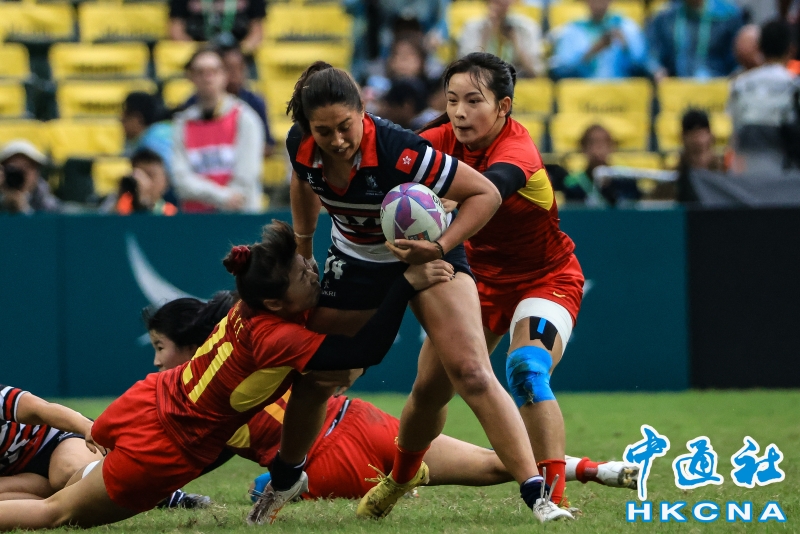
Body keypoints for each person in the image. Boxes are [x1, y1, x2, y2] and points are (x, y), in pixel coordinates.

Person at [0, 220, 453, 531]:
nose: (313, 271)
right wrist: (404, 286)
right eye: (303, 273)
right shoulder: (276, 335)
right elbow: (363, 351)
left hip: (150, 398)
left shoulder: (248, 304)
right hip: (167, 444)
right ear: (275, 301)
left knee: (65, 488)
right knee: (57, 513)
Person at [273, 60, 571, 525]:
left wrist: (438, 245)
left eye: (345, 127)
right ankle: (302, 477)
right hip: (359, 261)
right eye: (452, 101)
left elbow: (488, 190)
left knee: (484, 372)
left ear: (363, 111)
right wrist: (303, 246)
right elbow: (301, 177)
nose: (337, 140)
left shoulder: (405, 149)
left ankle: (541, 494)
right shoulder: (305, 144)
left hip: (511, 271)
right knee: (326, 378)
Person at [144, 295, 639, 502]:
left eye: (160, 347)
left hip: (329, 461)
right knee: (497, 462)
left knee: (262, 489)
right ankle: (597, 469)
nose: (157, 361)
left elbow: (196, 457)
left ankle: (393, 481)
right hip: (364, 421)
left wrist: (167, 493)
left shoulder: (206, 391)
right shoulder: (255, 349)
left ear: (189, 344)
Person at [417, 52, 636, 512]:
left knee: (527, 369)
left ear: (504, 106)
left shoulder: (518, 151)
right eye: (452, 100)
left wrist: (440, 232)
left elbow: (490, 189)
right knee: (428, 392)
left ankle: (553, 501)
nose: (459, 112)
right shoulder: (438, 139)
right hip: (477, 284)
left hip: (545, 278)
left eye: (473, 101)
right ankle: (398, 478)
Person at [172, 47, 264, 213]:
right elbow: (180, 180)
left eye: (213, 71)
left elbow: (246, 177)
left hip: (240, 218)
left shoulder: (245, 119)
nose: (207, 78)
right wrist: (223, 197)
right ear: (190, 77)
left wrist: (223, 199)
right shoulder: (182, 123)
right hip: (196, 220)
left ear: (225, 75)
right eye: (200, 72)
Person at [0, 384, 102, 501]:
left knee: (68, 472)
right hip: (20, 474)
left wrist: (87, 428)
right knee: (66, 490)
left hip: (55, 439)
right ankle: (60, 505)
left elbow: (42, 408)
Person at [728, 19, 797, 172]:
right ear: (791, 50)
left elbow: (735, 132)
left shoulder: (739, 85)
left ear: (759, 48)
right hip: (786, 173)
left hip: (746, 171)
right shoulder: (794, 87)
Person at [185, 43, 276, 156]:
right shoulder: (193, 106)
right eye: (230, 68)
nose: (235, 74)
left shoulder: (253, 105)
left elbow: (268, 145)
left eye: (240, 68)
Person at [549, 0, 648, 80]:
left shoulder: (627, 27)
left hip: (622, 93)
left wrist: (626, 47)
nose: (599, 2)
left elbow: (643, 67)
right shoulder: (573, 29)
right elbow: (561, 71)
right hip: (583, 94)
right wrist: (592, 51)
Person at [647, 0, 743, 79]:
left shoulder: (728, 16)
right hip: (677, 88)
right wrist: (656, 69)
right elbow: (653, 53)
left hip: (719, 86)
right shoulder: (665, 18)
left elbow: (736, 59)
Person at [458, 0, 545, 78]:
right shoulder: (472, 28)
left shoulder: (527, 27)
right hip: (481, 80)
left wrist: (516, 43)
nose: (502, 2)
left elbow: (536, 71)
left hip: (518, 79)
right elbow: (466, 68)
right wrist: (486, 35)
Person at [561, 124, 641, 206]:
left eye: (604, 143)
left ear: (612, 147)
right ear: (583, 148)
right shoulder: (573, 183)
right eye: (592, 143)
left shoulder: (625, 180)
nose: (598, 148)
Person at [168, 0, 265, 54]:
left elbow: (257, 32)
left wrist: (239, 52)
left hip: (237, 51)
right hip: (197, 51)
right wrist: (199, 54)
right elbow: (176, 31)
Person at [103, 149, 177, 216]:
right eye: (139, 174)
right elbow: (109, 221)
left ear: (165, 181)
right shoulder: (122, 203)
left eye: (150, 175)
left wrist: (145, 202)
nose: (143, 180)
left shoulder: (169, 211)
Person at [0, 141, 61, 215]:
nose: (20, 175)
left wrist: (25, 209)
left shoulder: (47, 203)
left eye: (27, 167)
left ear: (37, 173)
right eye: (13, 168)